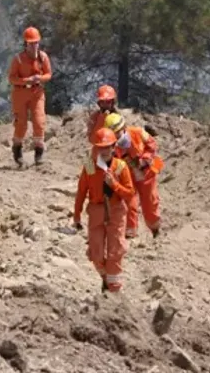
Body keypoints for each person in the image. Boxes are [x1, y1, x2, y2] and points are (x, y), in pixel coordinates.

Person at [73, 127, 136, 293]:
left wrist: (114, 184)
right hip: (96, 211)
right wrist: (76, 215)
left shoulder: (120, 166)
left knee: (115, 252)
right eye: (101, 147)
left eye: (108, 146)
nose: (105, 150)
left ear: (114, 147)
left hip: (116, 211)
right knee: (96, 252)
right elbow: (81, 191)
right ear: (96, 148)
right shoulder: (89, 165)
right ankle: (105, 279)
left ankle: (114, 291)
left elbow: (130, 193)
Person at [104, 113, 162, 239]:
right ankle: (130, 232)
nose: (117, 136)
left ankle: (155, 227)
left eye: (118, 132)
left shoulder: (138, 132)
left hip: (146, 173)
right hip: (128, 175)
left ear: (123, 127)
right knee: (129, 202)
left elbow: (152, 145)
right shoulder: (111, 146)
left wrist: (144, 159)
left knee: (150, 202)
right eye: (113, 134)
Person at [7, 26, 52, 166]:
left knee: (39, 121)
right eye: (31, 43)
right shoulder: (18, 59)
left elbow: (49, 74)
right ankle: (17, 152)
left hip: (37, 92)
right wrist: (26, 80)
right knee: (21, 124)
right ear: (25, 44)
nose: (34, 46)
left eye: (36, 42)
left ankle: (39, 154)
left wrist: (40, 78)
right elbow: (11, 78)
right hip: (20, 92)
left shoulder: (43, 57)